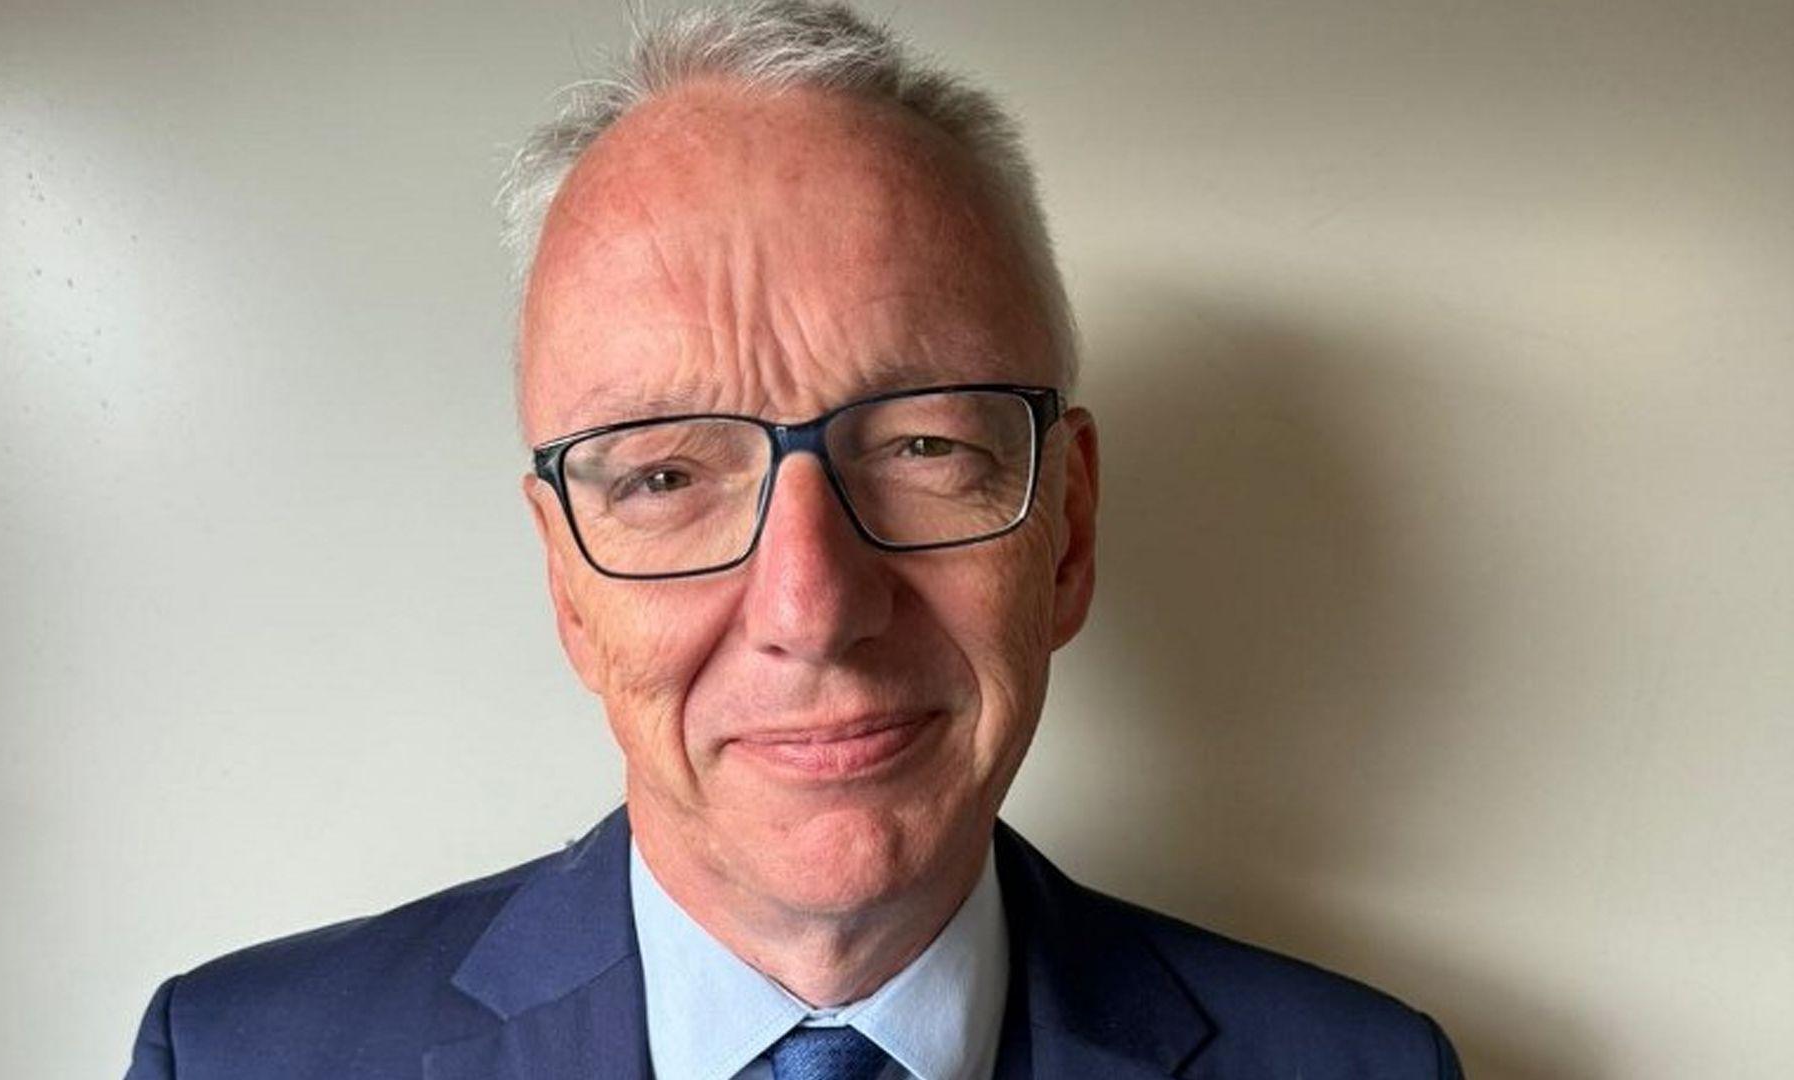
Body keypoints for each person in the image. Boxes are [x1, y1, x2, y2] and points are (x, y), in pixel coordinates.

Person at [124, 3, 1462, 1077]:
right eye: (663, 476)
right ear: (565, 579)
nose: (812, 607)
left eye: (926, 447)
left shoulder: (1369, 1066)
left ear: (1066, 532)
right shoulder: (243, 1056)